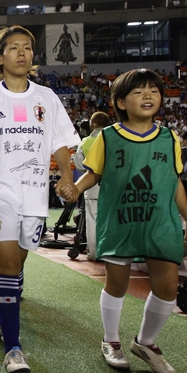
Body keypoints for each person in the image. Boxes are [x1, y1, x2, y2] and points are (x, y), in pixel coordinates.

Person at [0, 25, 80, 373]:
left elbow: (60, 144)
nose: (22, 53)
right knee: (7, 267)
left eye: (27, 48)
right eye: (13, 48)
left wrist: (67, 177)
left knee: (18, 265)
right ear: (0, 56)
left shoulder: (47, 98)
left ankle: (5, 318)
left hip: (34, 195)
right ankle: (13, 348)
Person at [60, 69, 187, 373]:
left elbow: (175, 181)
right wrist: (75, 189)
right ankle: (111, 340)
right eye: (138, 91)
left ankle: (146, 343)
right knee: (117, 283)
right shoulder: (108, 136)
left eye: (153, 90)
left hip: (160, 221)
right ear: (121, 102)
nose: (148, 95)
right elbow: (93, 173)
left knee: (167, 287)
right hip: (120, 220)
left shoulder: (169, 137)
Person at [73, 111, 110, 261]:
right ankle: (111, 254)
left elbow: (79, 164)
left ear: (94, 124)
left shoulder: (86, 141)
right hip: (112, 184)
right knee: (110, 220)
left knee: (93, 219)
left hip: (93, 183)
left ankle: (94, 254)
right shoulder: (115, 138)